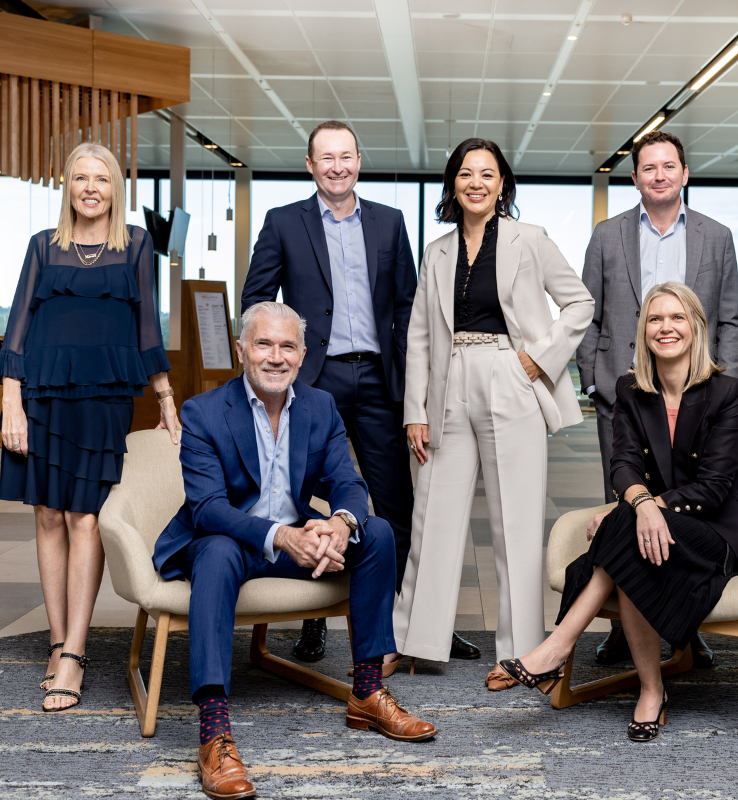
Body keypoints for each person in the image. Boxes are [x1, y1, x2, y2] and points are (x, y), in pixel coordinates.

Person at [153, 302, 436, 800]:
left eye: (288, 346)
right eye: (264, 344)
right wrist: (283, 536)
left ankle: (368, 691)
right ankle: (214, 730)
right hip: (234, 540)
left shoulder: (320, 406)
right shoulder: (203, 411)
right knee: (216, 551)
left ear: (303, 355)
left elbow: (347, 481)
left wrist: (338, 524)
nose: (276, 357)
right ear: (242, 350)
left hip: (297, 539)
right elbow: (209, 508)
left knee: (380, 534)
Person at [241, 122, 480, 665]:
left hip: (378, 381)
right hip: (311, 382)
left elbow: (408, 310)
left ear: (358, 160)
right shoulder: (283, 223)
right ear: (310, 165)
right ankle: (313, 620)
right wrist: (281, 360)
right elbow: (256, 302)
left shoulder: (389, 222)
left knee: (398, 505)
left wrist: (414, 387)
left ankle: (412, 624)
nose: (337, 166)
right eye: (326, 158)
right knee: (301, 497)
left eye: (345, 156)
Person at [497, 282, 738, 741]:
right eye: (656, 319)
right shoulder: (630, 389)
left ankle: (560, 649)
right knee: (633, 541)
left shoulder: (726, 392)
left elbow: (714, 487)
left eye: (677, 318)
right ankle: (649, 689)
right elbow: (622, 463)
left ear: (696, 327)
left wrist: (642, 506)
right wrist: (639, 507)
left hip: (720, 532)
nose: (667, 328)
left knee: (626, 526)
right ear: (643, 332)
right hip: (657, 532)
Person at [393, 138, 594, 688]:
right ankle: (416, 642)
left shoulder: (531, 240)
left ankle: (523, 652)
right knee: (432, 512)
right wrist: (416, 409)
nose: (475, 182)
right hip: (448, 379)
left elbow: (580, 302)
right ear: (452, 184)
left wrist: (540, 359)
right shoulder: (435, 251)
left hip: (511, 374)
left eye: (487, 173)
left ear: (502, 183)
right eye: (465, 173)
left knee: (518, 521)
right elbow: (417, 335)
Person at [0, 142, 177, 712]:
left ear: (115, 187)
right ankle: (58, 641)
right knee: (48, 515)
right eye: (81, 178)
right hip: (44, 396)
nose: (91, 188)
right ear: (68, 187)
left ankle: (75, 651)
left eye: (102, 178)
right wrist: (10, 401)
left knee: (84, 519)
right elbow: (18, 330)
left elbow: (148, 325)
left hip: (104, 400)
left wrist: (166, 399)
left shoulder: (136, 246)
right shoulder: (42, 248)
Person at [577, 130, 738, 667]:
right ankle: (627, 631)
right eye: (648, 168)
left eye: (668, 166)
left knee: (686, 506)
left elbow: (729, 319)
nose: (659, 175)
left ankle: (685, 628)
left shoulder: (716, 237)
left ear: (684, 174)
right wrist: (592, 378)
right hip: (623, 393)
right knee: (630, 492)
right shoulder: (608, 235)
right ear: (635, 178)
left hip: (696, 393)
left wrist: (727, 389)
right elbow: (588, 311)